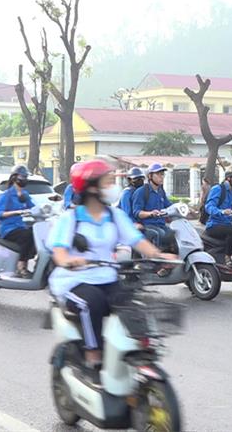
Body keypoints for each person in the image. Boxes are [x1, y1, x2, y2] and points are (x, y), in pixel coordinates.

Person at [47, 159, 174, 373]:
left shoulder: (115, 216)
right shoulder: (71, 219)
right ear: (92, 188)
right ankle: (93, 354)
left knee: (132, 302)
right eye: (108, 182)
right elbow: (59, 252)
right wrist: (70, 261)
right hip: (75, 280)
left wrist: (159, 255)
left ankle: (138, 354)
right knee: (91, 303)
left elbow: (136, 240)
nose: (113, 187)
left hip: (107, 276)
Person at [0, 166, 36, 277]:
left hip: (21, 226)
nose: (25, 179)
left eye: (26, 176)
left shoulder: (25, 195)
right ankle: (21, 266)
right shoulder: (6, 195)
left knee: (36, 232)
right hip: (9, 228)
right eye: (22, 176)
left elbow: (34, 208)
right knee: (27, 235)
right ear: (14, 178)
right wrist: (17, 212)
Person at [131, 163, 176, 252]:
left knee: (174, 232)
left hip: (161, 224)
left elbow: (169, 205)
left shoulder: (160, 191)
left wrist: (183, 208)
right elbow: (137, 212)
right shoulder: (141, 192)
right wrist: (150, 213)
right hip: (147, 225)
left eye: (162, 174)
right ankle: (156, 260)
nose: (161, 177)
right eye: (158, 174)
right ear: (150, 176)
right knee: (160, 234)